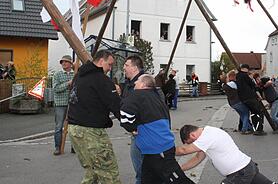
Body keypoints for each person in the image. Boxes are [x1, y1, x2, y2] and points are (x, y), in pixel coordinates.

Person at [120, 74, 194, 184]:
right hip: (157, 150)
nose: (135, 83)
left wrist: (131, 128)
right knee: (148, 180)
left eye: (138, 81)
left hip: (159, 151)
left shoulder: (138, 95)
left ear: (144, 84)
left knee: (178, 180)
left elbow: (125, 113)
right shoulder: (156, 97)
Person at [67, 50, 121, 184]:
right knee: (109, 172)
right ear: (101, 61)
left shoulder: (79, 76)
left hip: (74, 129)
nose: (110, 68)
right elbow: (116, 106)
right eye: (109, 64)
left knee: (92, 171)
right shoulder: (102, 80)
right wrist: (132, 126)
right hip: (92, 132)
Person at [176, 125, 278, 184]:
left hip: (240, 172)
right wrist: (180, 168)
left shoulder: (206, 136)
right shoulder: (209, 133)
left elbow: (183, 151)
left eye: (190, 142)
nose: (192, 145)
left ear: (192, 135)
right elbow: (198, 157)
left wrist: (163, 151)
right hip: (247, 167)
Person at [119, 55, 145, 184]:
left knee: (142, 171)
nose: (124, 68)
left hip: (141, 132)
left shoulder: (142, 84)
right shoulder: (130, 84)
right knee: (141, 170)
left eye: (127, 65)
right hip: (137, 132)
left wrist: (133, 127)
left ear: (135, 68)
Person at [52, 55, 74, 156]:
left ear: (70, 63)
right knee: (59, 126)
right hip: (60, 104)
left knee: (74, 126)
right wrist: (68, 84)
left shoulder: (75, 74)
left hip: (73, 104)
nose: (63, 63)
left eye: (66, 62)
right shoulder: (57, 75)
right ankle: (58, 147)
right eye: (62, 62)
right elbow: (56, 89)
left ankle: (74, 147)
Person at [236, 64, 266, 136]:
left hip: (243, 98)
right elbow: (253, 85)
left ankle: (254, 128)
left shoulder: (238, 76)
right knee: (259, 112)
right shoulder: (245, 76)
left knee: (253, 113)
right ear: (246, 69)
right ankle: (259, 130)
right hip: (250, 97)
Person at [222, 70, 252, 134]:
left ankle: (250, 128)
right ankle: (244, 129)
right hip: (237, 102)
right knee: (246, 113)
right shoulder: (233, 84)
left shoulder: (225, 85)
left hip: (232, 103)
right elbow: (241, 89)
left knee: (242, 115)